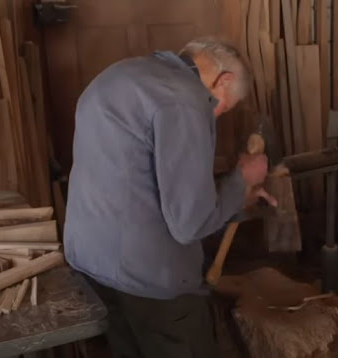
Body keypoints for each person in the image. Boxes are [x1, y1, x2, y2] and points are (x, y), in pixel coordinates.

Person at [64, 38, 272, 357]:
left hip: (92, 262)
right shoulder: (184, 101)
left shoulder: (121, 74)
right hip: (147, 277)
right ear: (224, 80)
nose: (214, 117)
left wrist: (235, 199)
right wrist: (243, 178)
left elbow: (141, 178)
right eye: (222, 108)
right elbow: (190, 223)